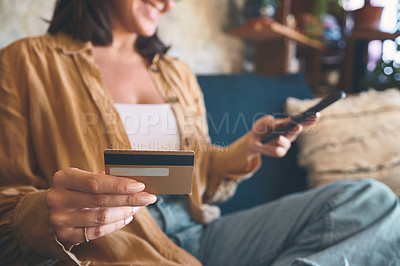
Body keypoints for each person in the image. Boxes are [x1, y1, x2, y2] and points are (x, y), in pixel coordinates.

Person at [0, 0, 399, 265]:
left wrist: (246, 147)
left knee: (371, 200)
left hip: (197, 231)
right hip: (113, 246)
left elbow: (201, 176)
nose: (168, 4)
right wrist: (46, 214)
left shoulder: (176, 73)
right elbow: (7, 203)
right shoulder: (27, 61)